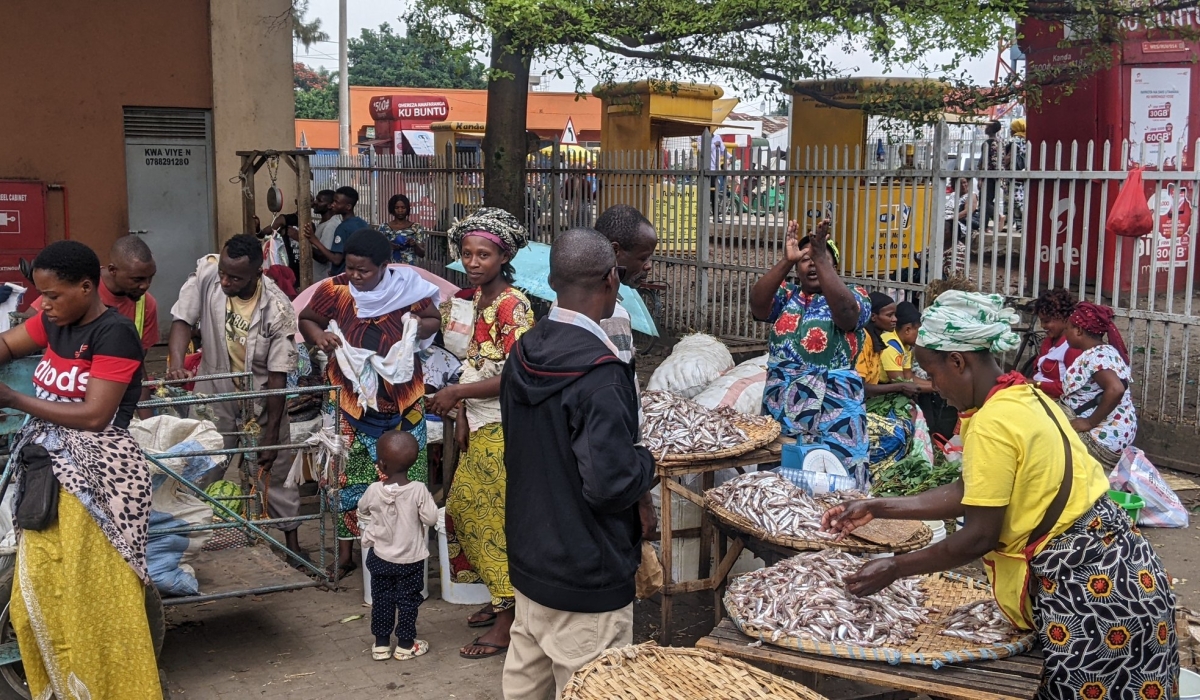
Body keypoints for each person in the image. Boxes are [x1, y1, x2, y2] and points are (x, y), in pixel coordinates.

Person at [821, 291, 1178, 700]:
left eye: (932, 373)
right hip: (1128, 574)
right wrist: (878, 505)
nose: (934, 387)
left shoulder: (994, 421)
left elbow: (978, 537)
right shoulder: (1023, 396)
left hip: (1095, 596)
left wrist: (895, 567)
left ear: (958, 361)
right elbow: (973, 491)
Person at [1, 241, 161, 698]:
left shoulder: (115, 334)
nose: (43, 304)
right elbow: (8, 345)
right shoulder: (54, 322)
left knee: (91, 602)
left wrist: (13, 400)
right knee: (37, 602)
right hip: (47, 475)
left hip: (98, 481)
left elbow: (95, 416)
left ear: (87, 287)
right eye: (41, 295)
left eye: (52, 294)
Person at [500, 228, 656, 699]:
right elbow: (609, 486)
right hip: (586, 573)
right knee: (592, 688)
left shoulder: (525, 350)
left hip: (531, 559)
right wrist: (646, 461)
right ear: (612, 280)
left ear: (550, 281)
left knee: (526, 688)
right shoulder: (601, 375)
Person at [299, 229, 441, 578]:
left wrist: (413, 329)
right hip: (348, 399)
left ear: (385, 266)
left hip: (403, 399)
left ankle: (404, 557)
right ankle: (348, 553)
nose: (356, 276)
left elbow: (435, 320)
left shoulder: (408, 287)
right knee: (346, 477)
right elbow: (307, 319)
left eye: (364, 270)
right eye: (350, 268)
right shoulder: (333, 290)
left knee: (406, 477)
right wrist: (320, 337)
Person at [426, 207, 534, 660]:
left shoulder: (513, 305)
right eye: (468, 253)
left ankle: (509, 621)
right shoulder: (473, 301)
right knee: (464, 510)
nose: (473, 262)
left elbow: (518, 374)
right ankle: (500, 600)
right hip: (479, 420)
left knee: (487, 517)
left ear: (502, 256)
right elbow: (474, 360)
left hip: (508, 426)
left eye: (484, 255)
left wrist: (457, 392)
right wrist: (465, 410)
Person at [167, 234, 304, 557]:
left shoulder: (277, 307)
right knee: (201, 464)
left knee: (275, 471)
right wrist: (175, 364)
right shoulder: (208, 272)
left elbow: (277, 376)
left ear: (258, 273)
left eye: (235, 278)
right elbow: (182, 318)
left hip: (262, 396)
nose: (225, 281)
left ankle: (294, 548)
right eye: (224, 275)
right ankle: (185, 544)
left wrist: (270, 435)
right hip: (214, 391)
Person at [749, 219, 871, 483]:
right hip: (781, 404)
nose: (812, 263)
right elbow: (758, 306)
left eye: (820, 258)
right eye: (805, 259)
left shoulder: (856, 295)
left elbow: (848, 317)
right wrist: (786, 261)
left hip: (834, 407)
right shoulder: (787, 295)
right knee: (779, 482)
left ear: (833, 266)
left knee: (837, 480)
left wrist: (820, 258)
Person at [358, 431, 437, 662]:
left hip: (380, 557)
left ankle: (381, 645)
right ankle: (405, 645)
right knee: (408, 600)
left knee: (381, 599)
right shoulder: (419, 489)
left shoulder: (374, 490)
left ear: (381, 464)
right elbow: (431, 519)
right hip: (410, 561)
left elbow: (362, 509)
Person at [1060, 302, 1136, 466]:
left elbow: (1116, 389)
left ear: (1079, 330)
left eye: (1067, 329)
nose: (1064, 333)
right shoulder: (1103, 352)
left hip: (1103, 435)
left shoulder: (1097, 356)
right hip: (1115, 431)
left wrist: (1089, 422)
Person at [593, 204, 658, 363]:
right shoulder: (613, 317)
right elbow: (621, 382)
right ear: (615, 250)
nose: (648, 265)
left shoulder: (567, 298)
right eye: (643, 258)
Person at [856, 292, 918, 399]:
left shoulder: (877, 339)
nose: (895, 319)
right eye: (889, 315)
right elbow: (860, 387)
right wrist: (900, 387)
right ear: (874, 317)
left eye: (894, 315)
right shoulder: (864, 340)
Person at [1029, 288, 1080, 398]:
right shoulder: (1049, 341)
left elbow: (1070, 387)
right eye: (1041, 321)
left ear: (1064, 318)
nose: (1042, 326)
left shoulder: (1072, 347)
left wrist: (1036, 385)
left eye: (1046, 321)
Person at [307, 186, 368, 277]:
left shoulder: (342, 228)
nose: (332, 205)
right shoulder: (362, 223)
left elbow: (336, 259)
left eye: (336, 202)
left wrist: (314, 240)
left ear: (348, 207)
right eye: (333, 201)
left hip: (343, 277)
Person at [881, 301, 931, 391]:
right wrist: (937, 388)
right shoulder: (891, 346)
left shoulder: (905, 346)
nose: (921, 338)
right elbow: (901, 384)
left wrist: (937, 386)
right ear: (907, 330)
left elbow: (908, 377)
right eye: (919, 333)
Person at [378, 194, 427, 265]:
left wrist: (414, 245)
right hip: (390, 268)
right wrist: (389, 246)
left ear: (407, 209)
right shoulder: (384, 227)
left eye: (403, 207)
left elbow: (422, 254)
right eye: (397, 208)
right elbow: (377, 250)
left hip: (410, 270)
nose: (400, 210)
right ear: (392, 209)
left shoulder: (416, 227)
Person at [304, 189, 341, 280]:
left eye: (319, 201)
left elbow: (323, 257)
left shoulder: (331, 226)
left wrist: (301, 240)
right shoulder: (324, 223)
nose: (315, 202)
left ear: (329, 205)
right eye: (316, 199)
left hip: (323, 279)